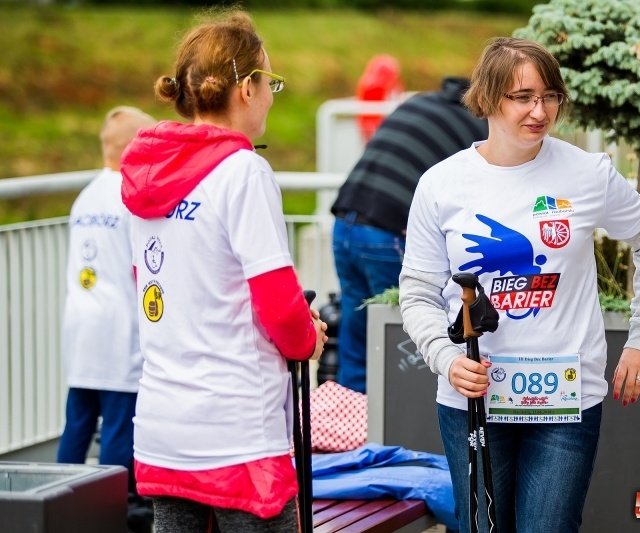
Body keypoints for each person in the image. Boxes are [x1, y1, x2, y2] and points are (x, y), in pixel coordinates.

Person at [398, 37, 640, 533]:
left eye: (550, 96)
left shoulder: (586, 173)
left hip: (566, 401)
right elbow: (417, 290)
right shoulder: (441, 184)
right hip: (473, 400)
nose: (539, 110)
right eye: (522, 97)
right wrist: (446, 359)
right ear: (487, 98)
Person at [119, 9, 327, 533]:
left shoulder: (145, 172)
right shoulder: (243, 172)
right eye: (270, 81)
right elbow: (280, 305)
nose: (273, 95)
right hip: (238, 431)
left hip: (164, 427)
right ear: (246, 91)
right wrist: (309, 340)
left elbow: (146, 284)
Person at [330, 76, 489, 394]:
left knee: (358, 331)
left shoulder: (418, 102)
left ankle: (353, 427)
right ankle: (401, 429)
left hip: (345, 223)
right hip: (386, 231)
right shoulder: (478, 128)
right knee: (402, 339)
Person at [57, 105, 157, 530]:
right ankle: (112, 513)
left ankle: (57, 504)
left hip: (81, 328)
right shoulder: (131, 196)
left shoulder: (86, 197)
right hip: (121, 330)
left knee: (77, 424)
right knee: (119, 426)